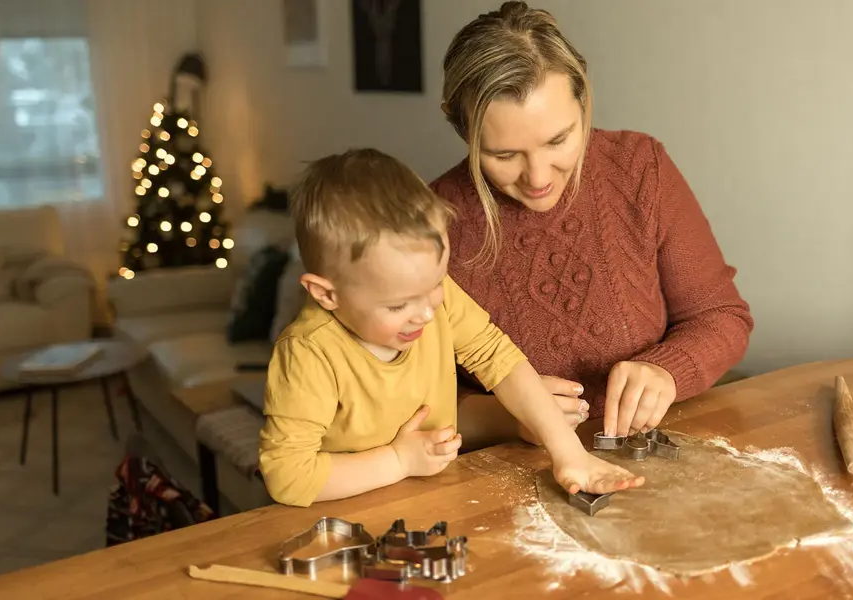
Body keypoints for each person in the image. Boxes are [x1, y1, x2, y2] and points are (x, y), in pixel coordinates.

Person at [430, 1, 754, 449]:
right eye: (503, 155)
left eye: (559, 140)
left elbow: (721, 316)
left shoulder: (640, 169)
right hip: (512, 475)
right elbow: (402, 398)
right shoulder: (430, 224)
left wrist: (669, 368)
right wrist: (509, 413)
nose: (538, 177)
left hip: (662, 452)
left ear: (583, 100)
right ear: (462, 127)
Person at [258, 148, 644, 507]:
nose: (426, 314)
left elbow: (498, 356)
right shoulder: (308, 353)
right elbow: (286, 475)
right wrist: (397, 461)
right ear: (326, 295)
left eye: (434, 287)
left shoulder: (430, 298)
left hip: (438, 498)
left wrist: (568, 454)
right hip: (347, 517)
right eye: (397, 305)